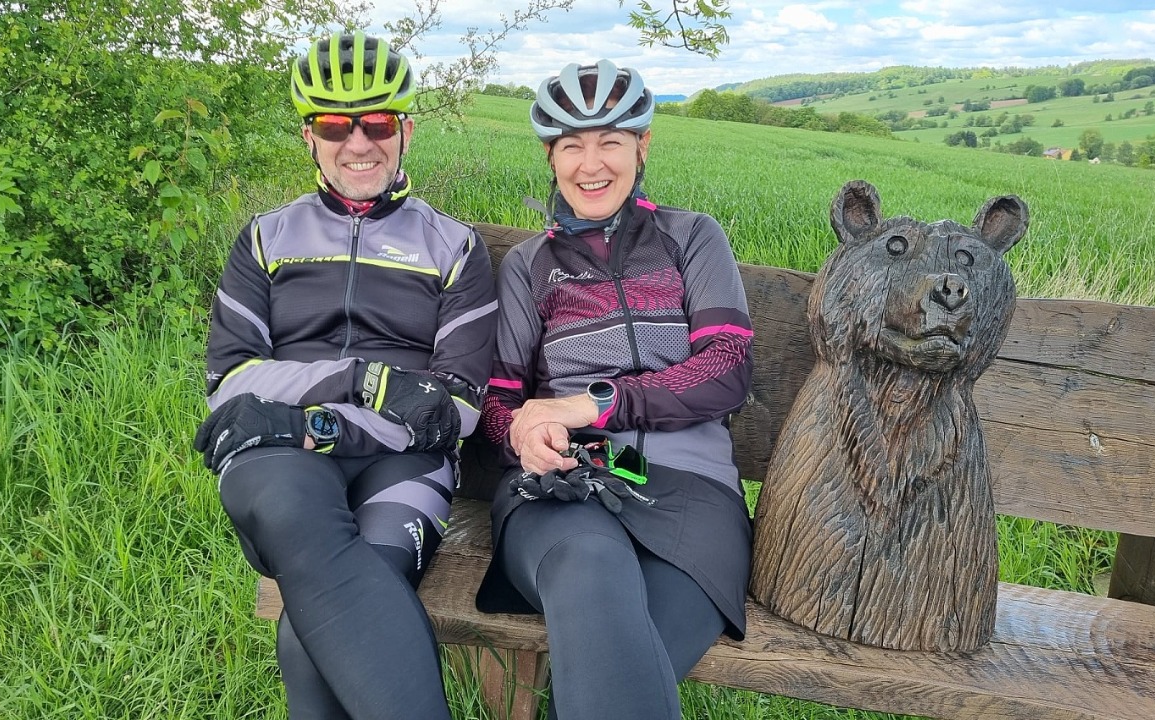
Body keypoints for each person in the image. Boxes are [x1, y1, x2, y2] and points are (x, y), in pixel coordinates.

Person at [192, 31, 497, 720]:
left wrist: (315, 419)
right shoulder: (266, 238)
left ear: (405, 131)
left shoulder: (453, 247)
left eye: (377, 123)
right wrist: (367, 382)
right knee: (299, 524)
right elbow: (230, 381)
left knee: (318, 622)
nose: (358, 143)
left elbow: (454, 408)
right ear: (310, 137)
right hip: (281, 453)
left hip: (399, 461)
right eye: (335, 125)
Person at [474, 59, 755, 719]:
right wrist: (520, 436)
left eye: (610, 141)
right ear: (551, 157)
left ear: (642, 146)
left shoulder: (691, 237)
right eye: (571, 145)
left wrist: (598, 402)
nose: (591, 163)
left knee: (615, 674)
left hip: (690, 492)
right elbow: (498, 401)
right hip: (572, 478)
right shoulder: (530, 266)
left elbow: (727, 365)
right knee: (592, 575)